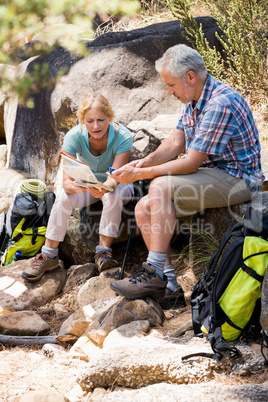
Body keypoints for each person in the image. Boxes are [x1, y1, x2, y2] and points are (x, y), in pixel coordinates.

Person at [108, 44, 264, 301]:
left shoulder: (221, 102)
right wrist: (142, 163)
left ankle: (154, 269)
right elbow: (174, 143)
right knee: (143, 208)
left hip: (238, 179)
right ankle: (168, 286)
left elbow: (191, 163)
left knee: (159, 186)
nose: (169, 92)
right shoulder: (193, 98)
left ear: (190, 77)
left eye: (171, 85)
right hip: (211, 173)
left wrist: (143, 176)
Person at [22, 93, 133, 281]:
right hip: (88, 185)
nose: (96, 126)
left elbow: (115, 177)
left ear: (110, 118)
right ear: (82, 120)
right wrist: (73, 187)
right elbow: (66, 181)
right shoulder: (74, 136)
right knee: (64, 197)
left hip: (118, 183)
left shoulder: (123, 136)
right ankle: (49, 255)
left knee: (112, 195)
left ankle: (103, 253)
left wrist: (105, 187)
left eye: (101, 120)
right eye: (90, 121)